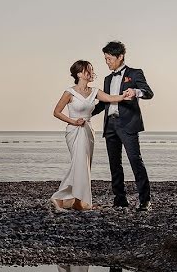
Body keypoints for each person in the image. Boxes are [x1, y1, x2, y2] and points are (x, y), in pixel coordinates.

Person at [51, 60, 132, 211]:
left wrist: (124, 96)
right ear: (79, 74)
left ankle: (77, 201)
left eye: (91, 70)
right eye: (87, 70)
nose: (90, 73)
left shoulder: (94, 91)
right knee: (78, 163)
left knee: (84, 165)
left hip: (88, 131)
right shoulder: (70, 92)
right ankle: (59, 197)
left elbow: (110, 98)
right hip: (74, 131)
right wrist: (74, 121)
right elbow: (56, 112)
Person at [91, 41, 155, 211]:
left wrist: (136, 92)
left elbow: (149, 93)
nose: (107, 62)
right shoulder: (107, 79)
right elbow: (103, 103)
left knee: (135, 161)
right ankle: (120, 199)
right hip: (110, 124)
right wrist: (86, 112)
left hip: (128, 124)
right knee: (114, 163)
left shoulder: (135, 73)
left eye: (109, 59)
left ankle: (145, 200)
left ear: (120, 57)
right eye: (105, 59)